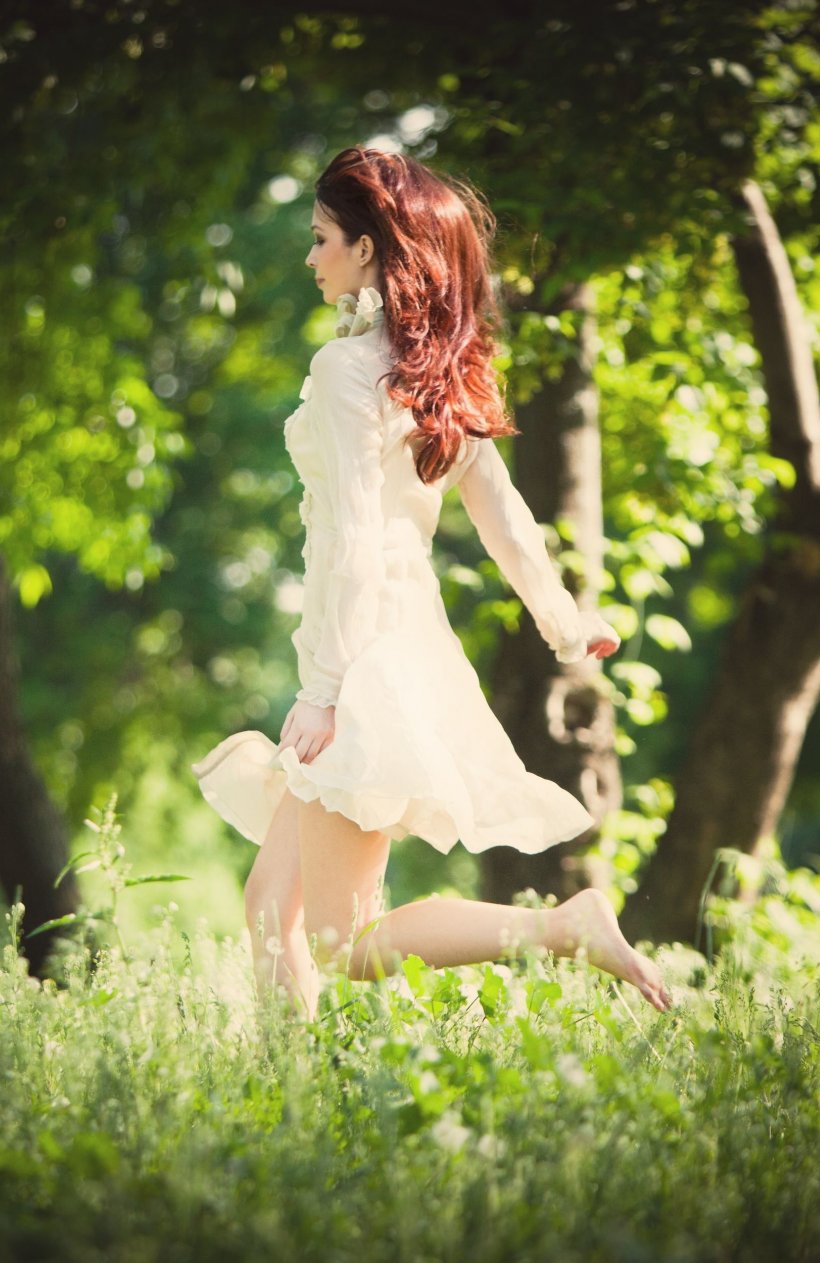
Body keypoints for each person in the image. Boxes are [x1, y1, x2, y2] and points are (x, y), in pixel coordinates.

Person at [191, 146, 669, 1021]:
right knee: (269, 908)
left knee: (346, 942)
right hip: (400, 644)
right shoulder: (433, 377)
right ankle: (286, 1104)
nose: (311, 256)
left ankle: (566, 925)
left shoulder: (345, 372)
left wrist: (326, 692)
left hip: (364, 657)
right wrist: (565, 625)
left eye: (323, 237)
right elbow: (506, 520)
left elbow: (360, 541)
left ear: (368, 248)